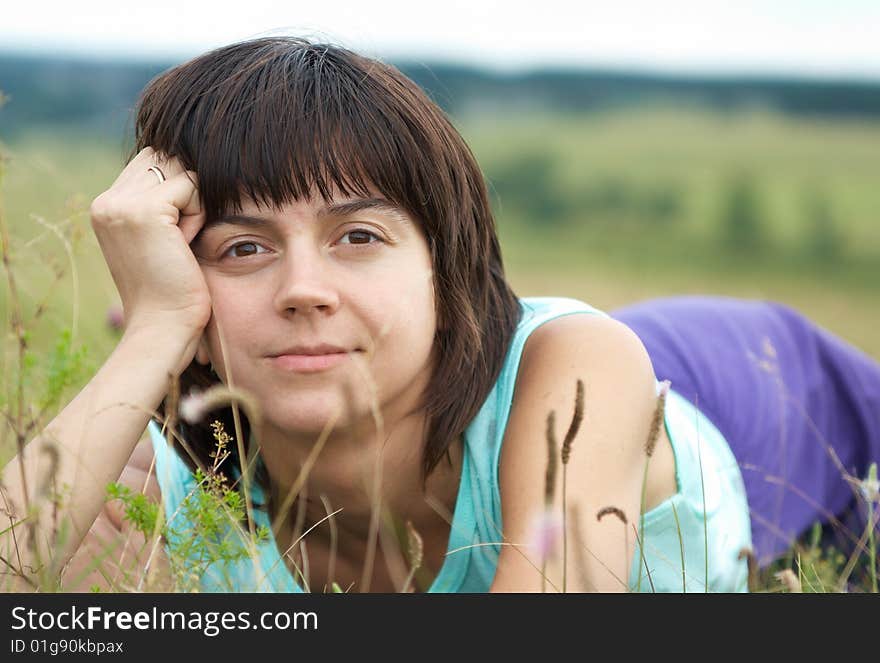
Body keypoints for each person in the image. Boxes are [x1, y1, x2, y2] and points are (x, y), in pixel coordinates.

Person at [2, 37, 878, 594]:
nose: (304, 287)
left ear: (441, 262)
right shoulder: (172, 460)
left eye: (358, 235)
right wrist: (155, 333)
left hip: (759, 397)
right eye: (244, 247)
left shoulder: (582, 373)